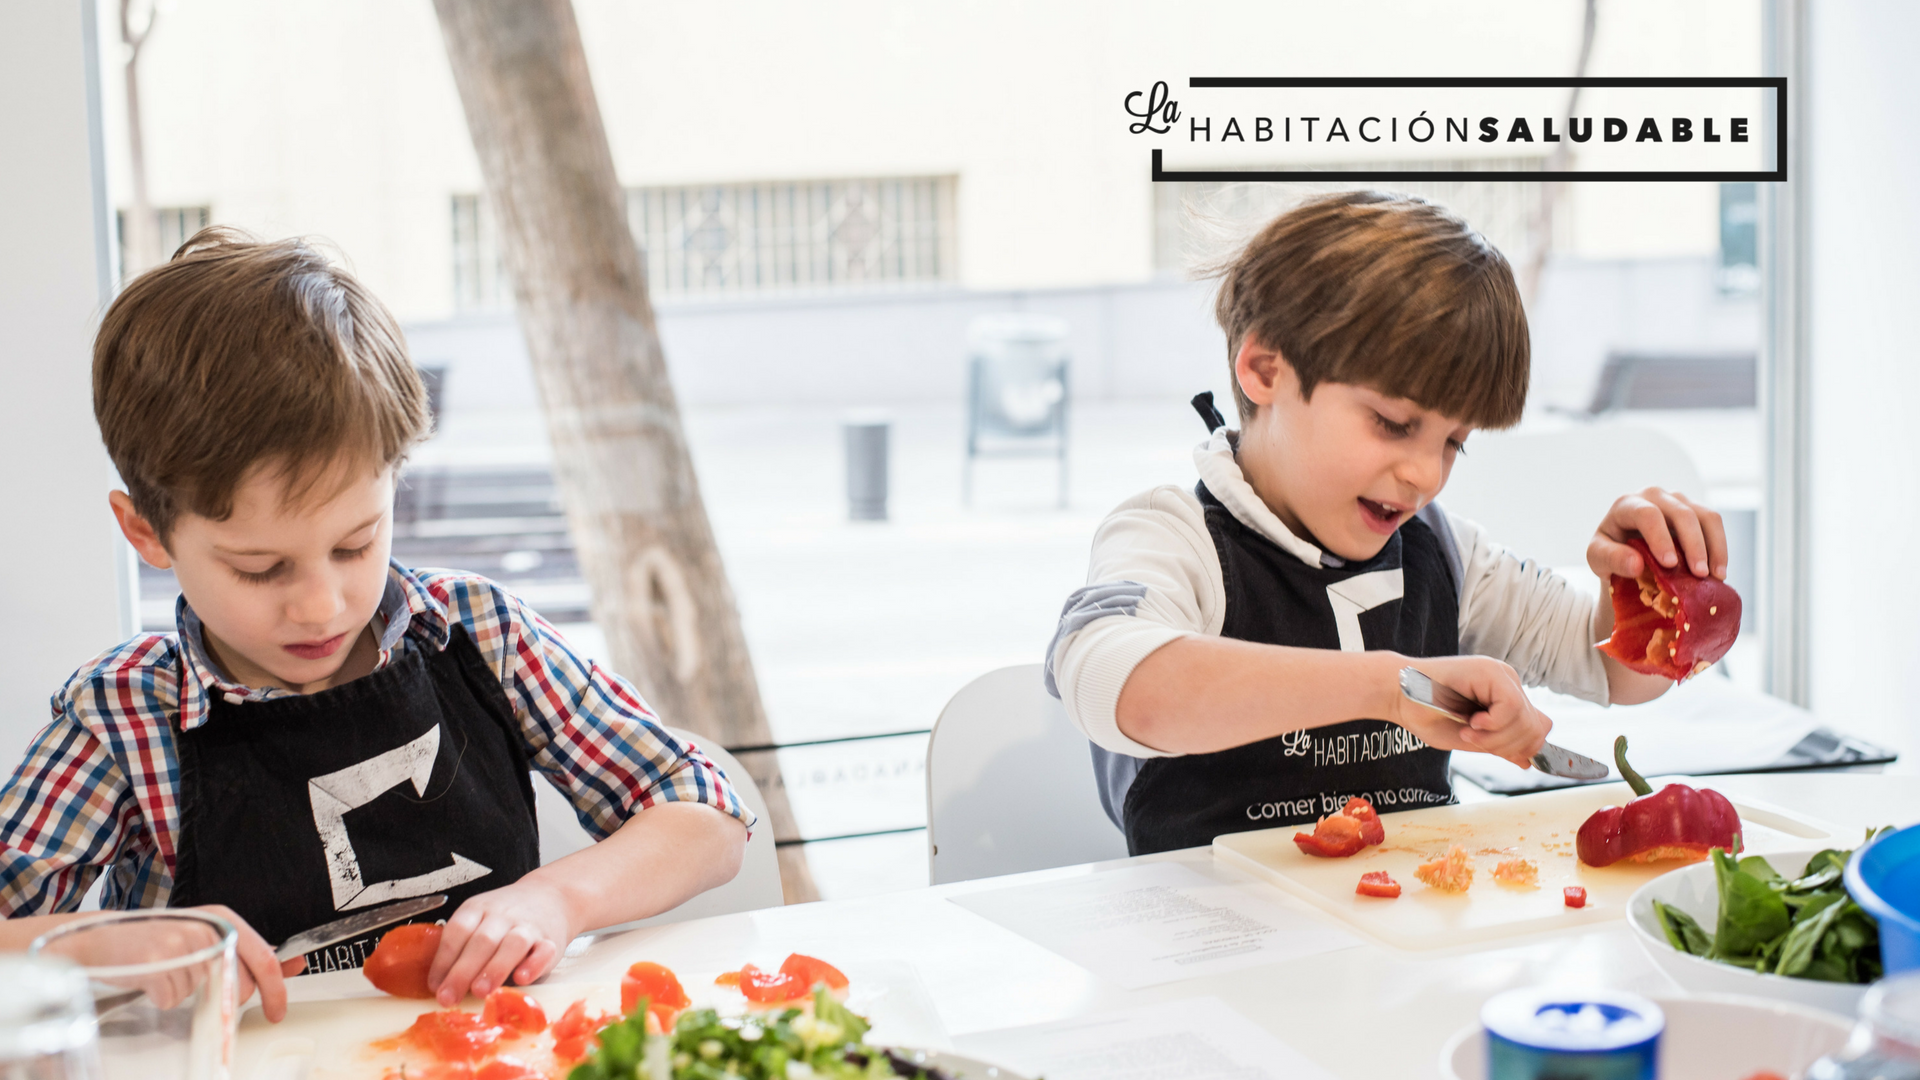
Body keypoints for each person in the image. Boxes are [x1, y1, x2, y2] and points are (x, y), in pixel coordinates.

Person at [0, 228, 752, 1020]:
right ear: (147, 531)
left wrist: (560, 899)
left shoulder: (477, 633)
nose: (321, 604)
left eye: (355, 543)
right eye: (260, 568)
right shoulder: (121, 717)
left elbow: (705, 813)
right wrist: (88, 942)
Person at [1045, 191, 1728, 856]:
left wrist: (1646, 598)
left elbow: (1616, 674)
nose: (1425, 474)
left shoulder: (1444, 553)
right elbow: (1116, 683)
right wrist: (1393, 688)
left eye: (1453, 442)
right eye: (1394, 424)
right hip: (1211, 948)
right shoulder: (1172, 537)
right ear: (1263, 369)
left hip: (1405, 947)